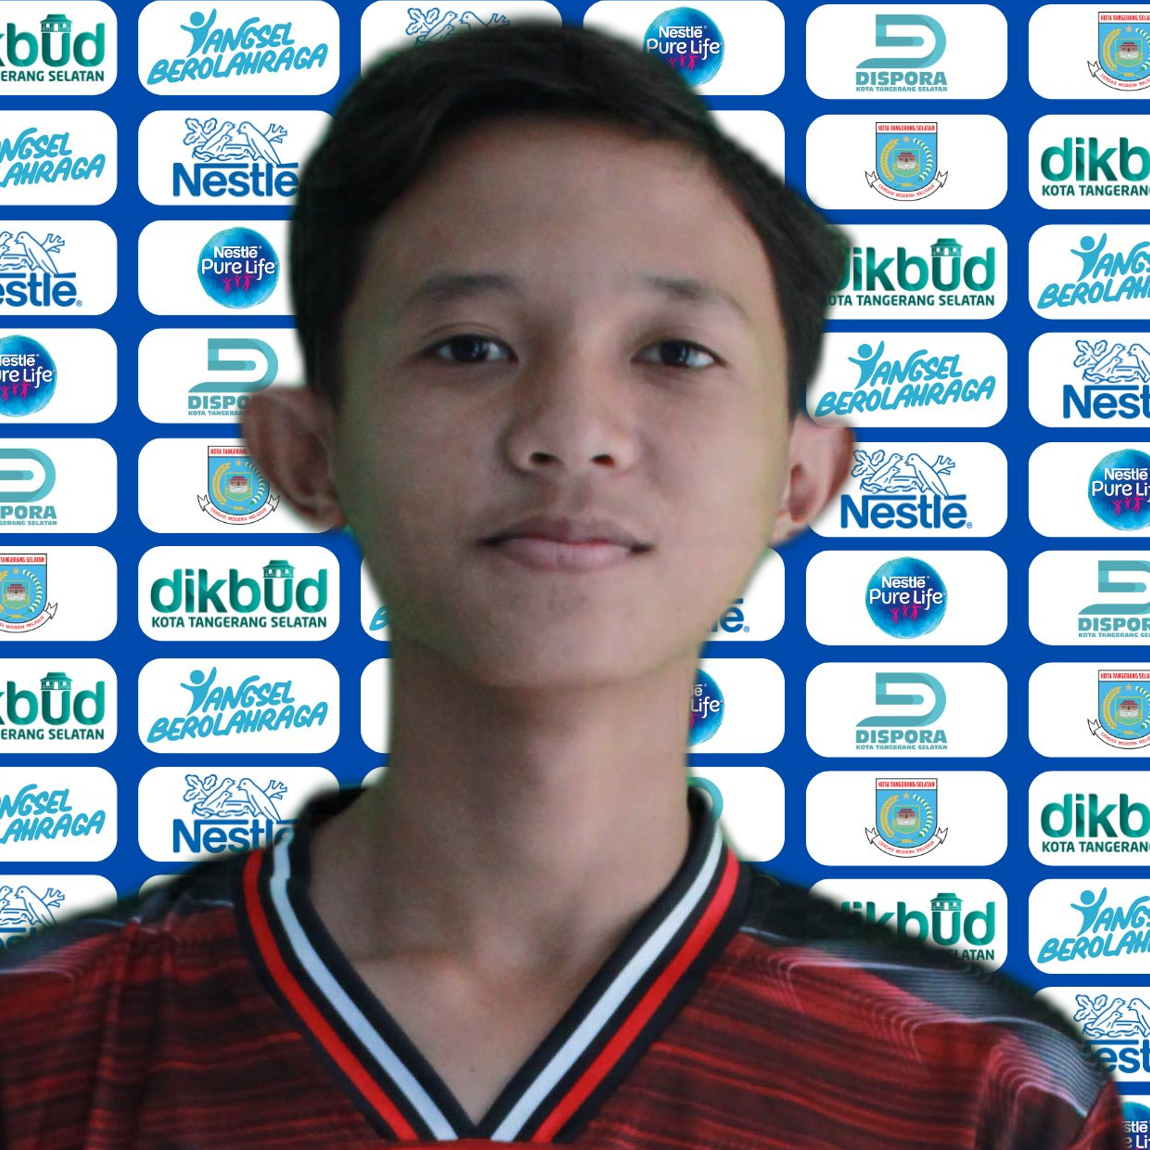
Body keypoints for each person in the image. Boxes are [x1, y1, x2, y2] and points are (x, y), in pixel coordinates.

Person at [0, 22, 1123, 1150]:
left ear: (799, 477)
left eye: (675, 352)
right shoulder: (35, 1042)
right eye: (469, 347)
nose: (572, 432)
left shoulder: (986, 1092)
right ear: (308, 452)